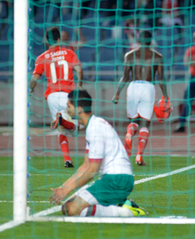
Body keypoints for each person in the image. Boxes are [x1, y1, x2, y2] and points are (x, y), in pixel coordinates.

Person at [50, 89, 147, 217]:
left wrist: (66, 189)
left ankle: (127, 212)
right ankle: (120, 204)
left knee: (73, 210)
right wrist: (64, 187)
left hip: (117, 180)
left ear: (79, 109)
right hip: (111, 179)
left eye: (69, 106)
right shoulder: (92, 125)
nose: (66, 109)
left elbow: (92, 170)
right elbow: (85, 165)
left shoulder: (95, 127)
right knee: (67, 207)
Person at [112, 30, 169, 166]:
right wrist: (166, 96)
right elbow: (161, 78)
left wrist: (117, 93)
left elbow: (125, 76)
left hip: (133, 87)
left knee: (133, 121)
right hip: (148, 88)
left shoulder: (130, 55)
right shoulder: (157, 56)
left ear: (139, 41)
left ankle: (129, 134)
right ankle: (139, 156)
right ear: (151, 41)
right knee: (145, 123)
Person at [29, 26, 83, 167]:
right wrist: (80, 85)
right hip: (67, 94)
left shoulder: (41, 58)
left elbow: (34, 78)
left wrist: (30, 89)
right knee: (76, 129)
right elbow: (78, 68)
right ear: (59, 39)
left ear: (47, 41)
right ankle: (63, 121)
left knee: (61, 130)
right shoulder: (69, 52)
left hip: (52, 96)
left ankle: (67, 160)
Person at [174, 31, 195, 133]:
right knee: (187, 101)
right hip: (192, 78)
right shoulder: (190, 50)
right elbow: (187, 62)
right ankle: (181, 125)